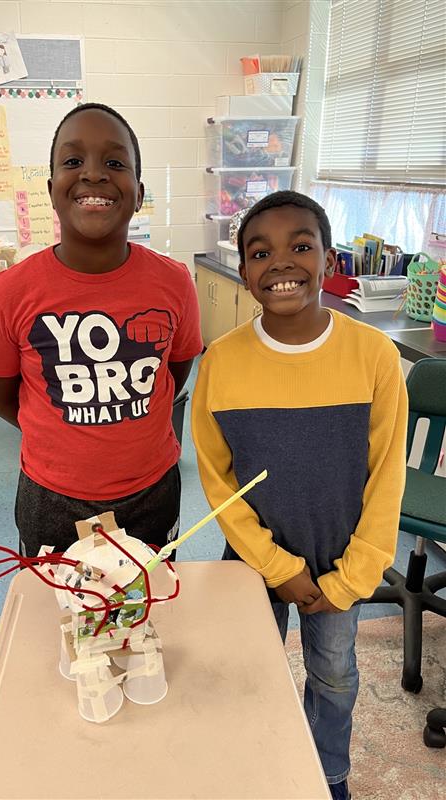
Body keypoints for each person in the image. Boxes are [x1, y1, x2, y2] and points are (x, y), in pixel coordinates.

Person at [191, 190, 407, 800]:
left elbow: (388, 476)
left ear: (330, 260)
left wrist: (351, 577)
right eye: (260, 252)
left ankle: (327, 774)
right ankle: (258, 772)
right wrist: (276, 566)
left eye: (301, 246)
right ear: (244, 271)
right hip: (255, 561)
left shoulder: (374, 355)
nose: (281, 263)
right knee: (249, 671)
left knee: (334, 674)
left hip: (344, 561)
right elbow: (218, 481)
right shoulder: (222, 364)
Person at [0, 103, 202, 558]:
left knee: (146, 612)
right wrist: (57, 435)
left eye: (115, 163)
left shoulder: (175, 282)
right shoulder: (8, 292)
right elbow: (1, 394)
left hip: (151, 491)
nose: (94, 175)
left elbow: (174, 370)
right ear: (52, 189)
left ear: (138, 193)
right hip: (52, 497)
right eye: (73, 162)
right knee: (58, 619)